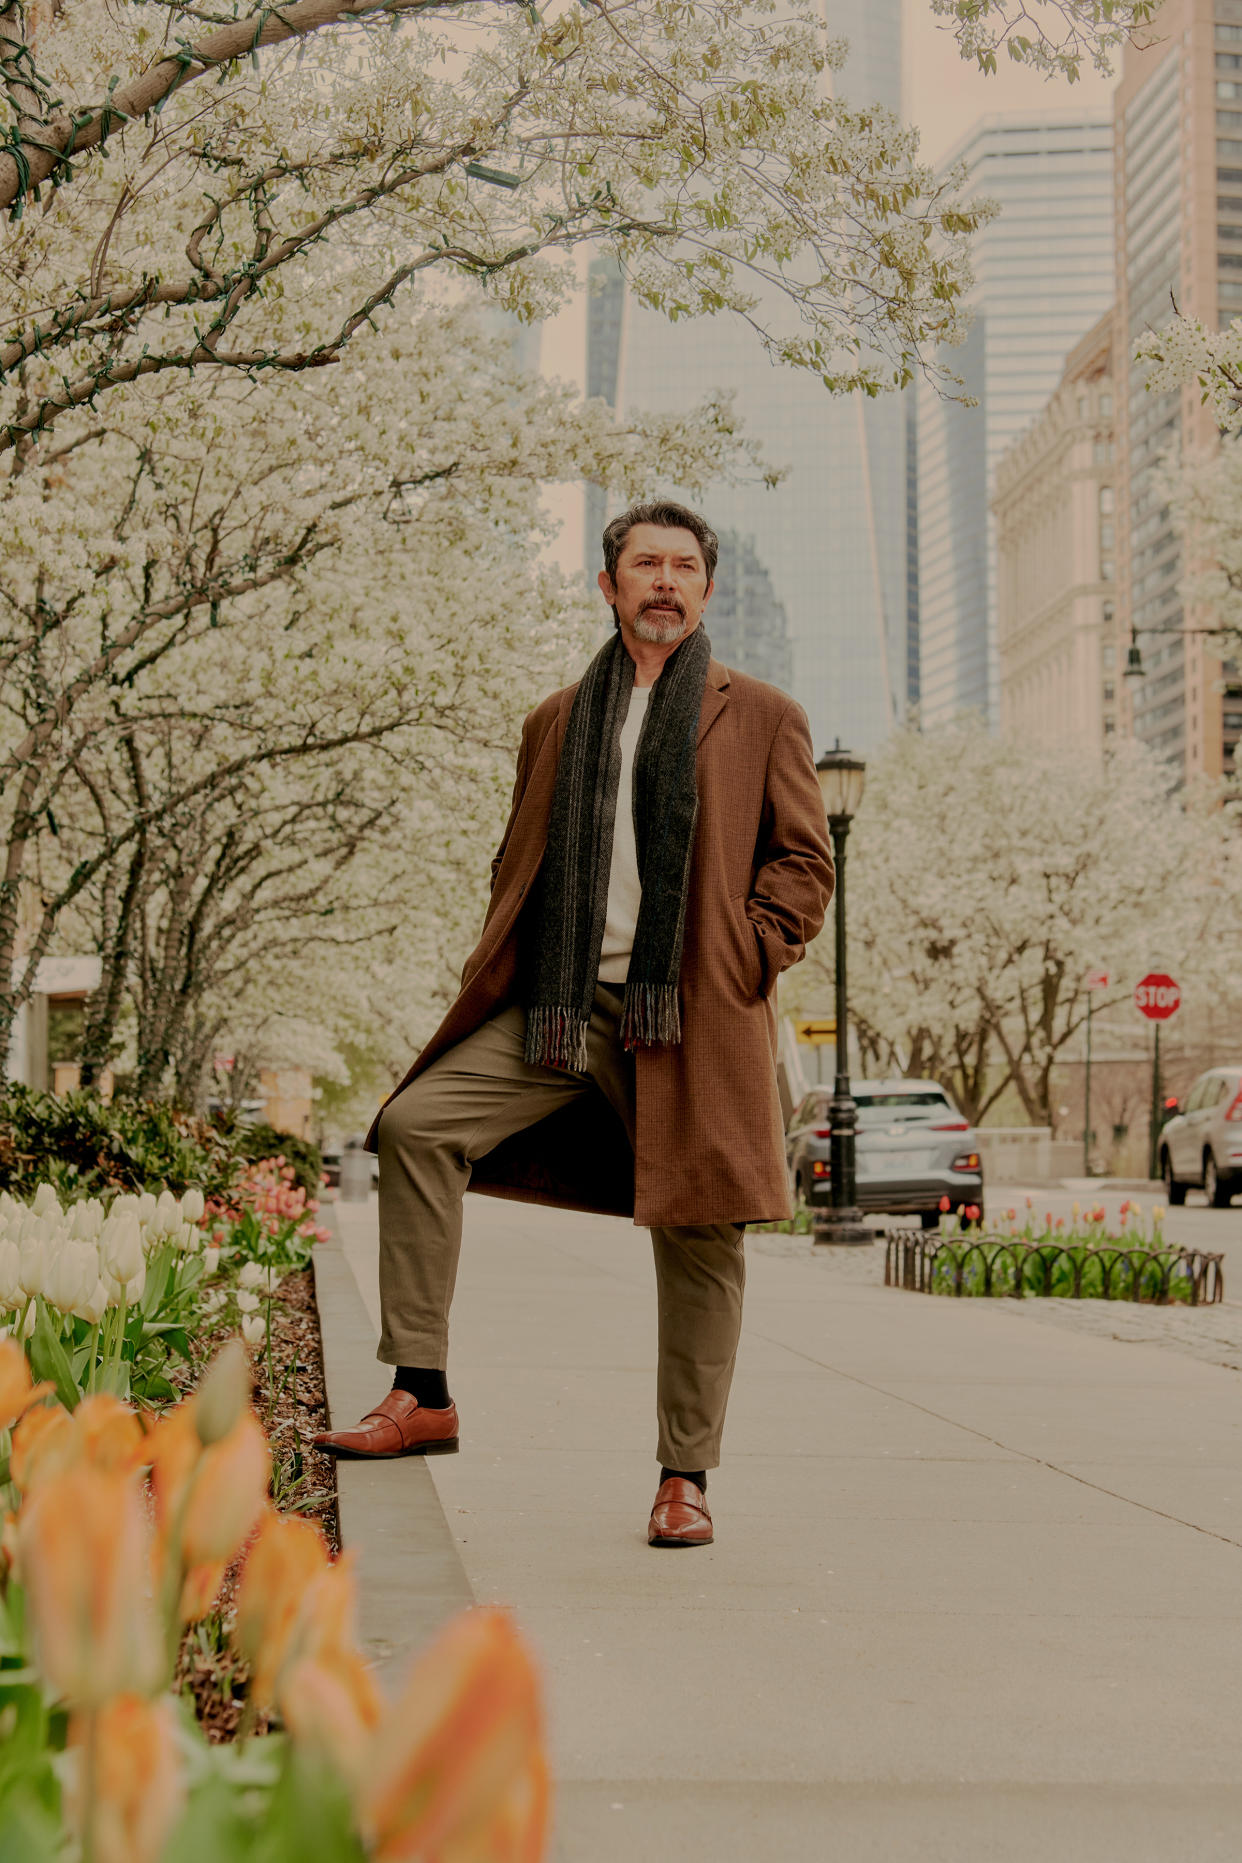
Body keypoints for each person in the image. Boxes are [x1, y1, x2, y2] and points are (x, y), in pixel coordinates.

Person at [315, 500, 834, 1547]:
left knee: (700, 1234)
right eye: (646, 563)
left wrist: (747, 948)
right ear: (609, 585)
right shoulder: (557, 717)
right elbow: (522, 857)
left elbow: (805, 863)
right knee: (418, 1125)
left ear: (708, 591)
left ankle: (684, 1474)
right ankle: (421, 1392)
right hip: (561, 1008)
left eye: (685, 567)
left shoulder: (761, 714)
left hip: (690, 1019)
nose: (665, 581)